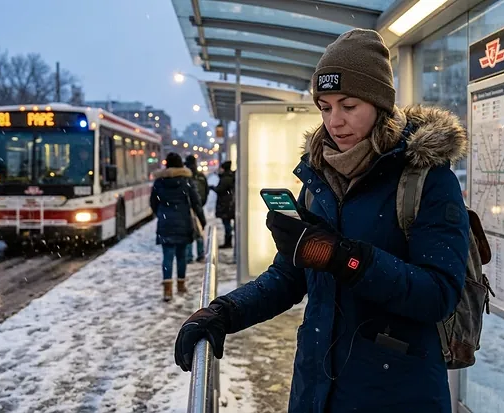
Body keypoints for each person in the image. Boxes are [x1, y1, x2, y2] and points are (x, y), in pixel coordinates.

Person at [174, 29, 470, 412]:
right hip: (316, 392)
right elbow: (288, 277)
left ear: (379, 104)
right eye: (325, 107)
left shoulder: (426, 179)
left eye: (348, 105)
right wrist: (224, 312)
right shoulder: (319, 179)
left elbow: (439, 294)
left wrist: (344, 257)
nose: (335, 121)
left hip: (396, 394)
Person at [150, 152, 206, 301]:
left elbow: (153, 203)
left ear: (166, 164)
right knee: (181, 255)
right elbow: (196, 202)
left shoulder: (159, 182)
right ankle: (181, 285)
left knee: (167, 256)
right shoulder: (186, 181)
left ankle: (167, 290)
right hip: (183, 221)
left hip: (165, 222)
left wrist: (162, 213)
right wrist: (202, 219)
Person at [184, 155, 208, 263]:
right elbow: (206, 191)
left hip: (187, 208)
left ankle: (189, 256)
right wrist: (201, 204)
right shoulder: (200, 176)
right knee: (199, 232)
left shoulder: (184, 177)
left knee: (189, 233)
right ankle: (201, 254)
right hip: (198, 206)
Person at [209, 160, 235, 249]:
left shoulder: (226, 178)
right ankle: (228, 241)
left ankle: (228, 242)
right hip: (229, 204)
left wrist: (212, 187)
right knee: (227, 224)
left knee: (226, 224)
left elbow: (219, 189)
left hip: (226, 205)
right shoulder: (229, 177)